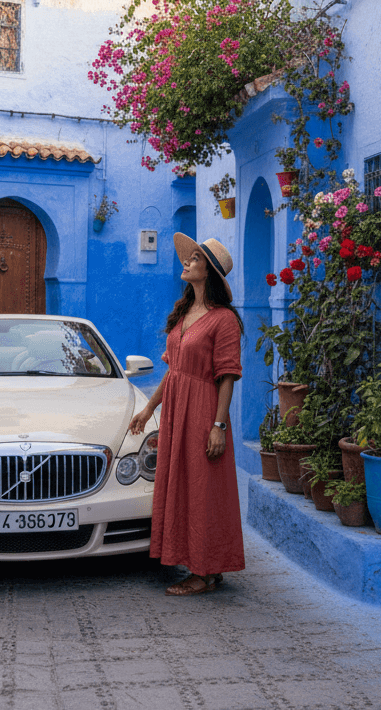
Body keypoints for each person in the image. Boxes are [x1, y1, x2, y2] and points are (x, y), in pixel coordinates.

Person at [129, 234, 245, 595]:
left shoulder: (223, 320)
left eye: (195, 259)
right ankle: (205, 564)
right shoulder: (185, 313)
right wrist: (150, 407)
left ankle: (204, 572)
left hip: (202, 410)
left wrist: (218, 426)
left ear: (207, 271)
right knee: (184, 485)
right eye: (189, 257)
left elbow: (227, 376)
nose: (186, 262)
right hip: (177, 409)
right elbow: (174, 370)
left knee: (203, 488)